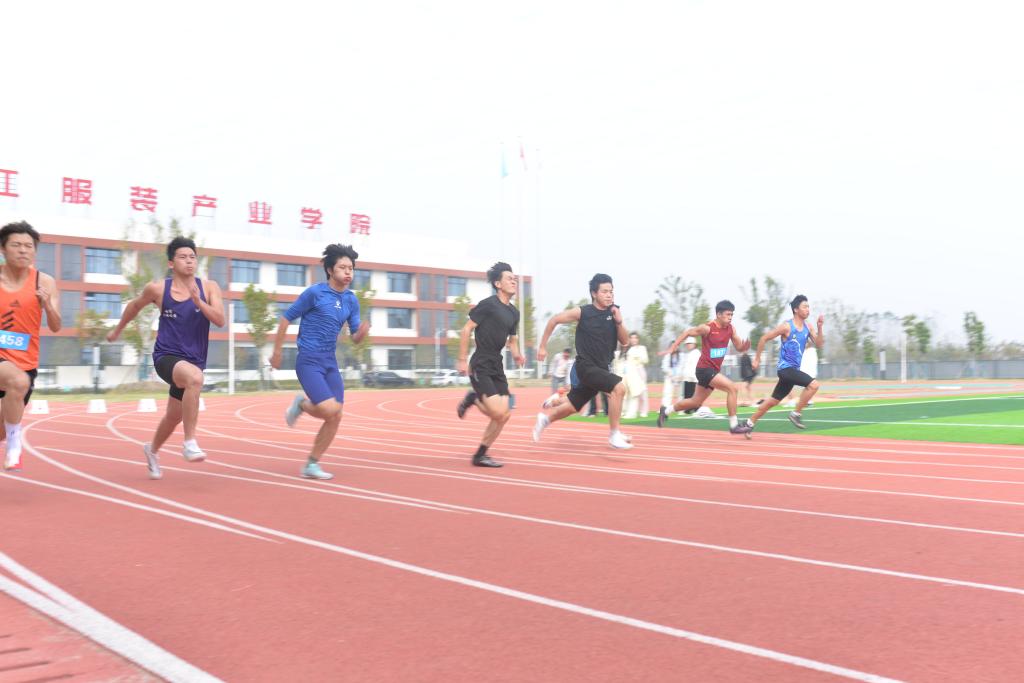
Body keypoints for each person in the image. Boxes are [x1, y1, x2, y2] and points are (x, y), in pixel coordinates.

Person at [108, 236, 224, 479]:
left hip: (194, 359)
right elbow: (134, 306)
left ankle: (151, 450)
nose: (189, 261)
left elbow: (220, 320)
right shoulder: (158, 289)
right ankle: (190, 442)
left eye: (192, 257)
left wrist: (198, 302)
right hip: (166, 357)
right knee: (195, 378)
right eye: (183, 257)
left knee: (174, 416)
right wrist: (118, 330)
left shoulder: (209, 287)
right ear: (171, 263)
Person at [269, 244, 370, 481]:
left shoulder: (351, 300)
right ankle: (302, 404)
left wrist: (362, 333)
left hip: (329, 362)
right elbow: (285, 319)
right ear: (330, 270)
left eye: (351, 268)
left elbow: (355, 338)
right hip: (309, 360)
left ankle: (311, 464)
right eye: (342, 267)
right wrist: (277, 352)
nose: (348, 272)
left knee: (336, 415)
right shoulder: (315, 293)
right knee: (328, 409)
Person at [534, 274, 632, 449]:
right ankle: (614, 434)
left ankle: (545, 420)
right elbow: (554, 320)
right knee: (619, 388)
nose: (609, 295)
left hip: (602, 368)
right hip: (586, 366)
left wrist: (619, 322)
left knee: (573, 406)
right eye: (605, 291)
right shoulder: (583, 312)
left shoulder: (614, 312)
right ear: (594, 293)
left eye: (611, 291)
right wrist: (542, 347)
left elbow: (625, 342)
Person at [0, 222, 61, 471]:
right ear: (3, 249)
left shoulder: (44, 282)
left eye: (28, 246)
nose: (23, 250)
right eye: (16, 245)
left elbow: (56, 326)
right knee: (18, 381)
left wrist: (47, 305)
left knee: (1, 429)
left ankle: (8, 437)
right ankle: (16, 444)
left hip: (25, 361)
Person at [454, 262, 526, 468]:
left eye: (515, 279)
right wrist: (462, 359)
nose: (514, 281)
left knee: (505, 415)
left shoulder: (514, 313)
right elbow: (466, 329)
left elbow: (512, 340)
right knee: (497, 413)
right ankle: (474, 398)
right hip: (481, 363)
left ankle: (480, 455)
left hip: (497, 364)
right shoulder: (488, 304)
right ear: (498, 284)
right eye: (509, 278)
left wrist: (517, 355)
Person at [656, 300, 753, 435]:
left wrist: (744, 347)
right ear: (719, 314)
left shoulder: (731, 329)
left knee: (695, 402)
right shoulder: (707, 328)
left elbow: (739, 347)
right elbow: (688, 333)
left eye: (732, 315)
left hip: (713, 370)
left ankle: (666, 411)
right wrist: (673, 347)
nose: (730, 317)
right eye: (728, 314)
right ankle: (734, 425)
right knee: (732, 388)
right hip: (704, 369)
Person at [743, 295, 824, 434]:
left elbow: (819, 344)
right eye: (805, 307)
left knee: (773, 401)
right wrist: (757, 359)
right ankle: (796, 414)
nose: (808, 309)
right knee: (814, 385)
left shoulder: (808, 327)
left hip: (792, 371)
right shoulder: (787, 326)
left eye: (808, 307)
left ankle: (749, 423)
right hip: (785, 369)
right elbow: (763, 338)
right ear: (796, 309)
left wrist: (820, 327)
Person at [622, 332, 649, 419]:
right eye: (632, 338)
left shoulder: (642, 348)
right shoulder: (628, 349)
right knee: (631, 392)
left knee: (643, 391)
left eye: (635, 338)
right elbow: (626, 361)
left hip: (640, 370)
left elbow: (645, 360)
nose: (633, 340)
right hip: (630, 372)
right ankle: (628, 411)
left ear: (638, 339)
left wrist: (637, 358)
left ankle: (644, 411)